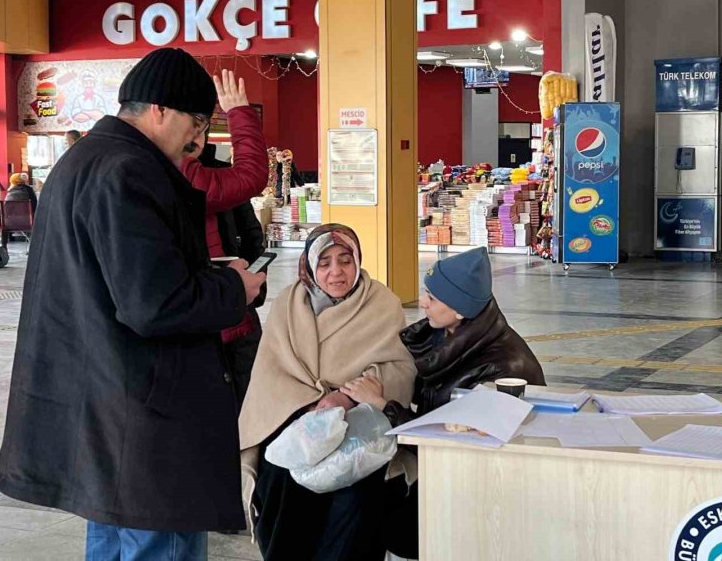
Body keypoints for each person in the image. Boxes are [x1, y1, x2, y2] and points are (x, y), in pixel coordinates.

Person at [0, 48, 268, 561]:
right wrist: (235, 288)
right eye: (196, 122)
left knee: (115, 539)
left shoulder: (83, 162)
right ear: (160, 110)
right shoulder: (130, 172)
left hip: (105, 412)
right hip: (144, 419)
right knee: (159, 542)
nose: (199, 140)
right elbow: (155, 305)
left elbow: (123, 284)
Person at [342, 246, 545, 558]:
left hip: (477, 487)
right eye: (426, 292)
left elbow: (451, 439)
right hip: (438, 467)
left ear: (461, 308)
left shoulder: (503, 369)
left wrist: (383, 405)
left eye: (432, 299)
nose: (422, 303)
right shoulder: (442, 336)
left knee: (375, 518)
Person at [238, 224, 417, 561]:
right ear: (309, 266)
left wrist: (346, 398)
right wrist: (306, 410)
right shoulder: (287, 306)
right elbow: (271, 375)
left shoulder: (382, 304)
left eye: (345, 260)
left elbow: (399, 369)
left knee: (356, 495)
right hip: (294, 419)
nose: (337, 272)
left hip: (357, 427)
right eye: (325, 263)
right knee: (280, 475)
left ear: (358, 261)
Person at [181, 69, 268, 408]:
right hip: (215, 321)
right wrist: (239, 113)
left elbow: (250, 235)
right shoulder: (185, 174)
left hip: (230, 316)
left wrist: (253, 285)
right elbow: (251, 177)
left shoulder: (195, 173)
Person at [0, 173, 38, 249]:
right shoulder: (29, 190)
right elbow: (35, 205)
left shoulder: (10, 192)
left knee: (4, 227)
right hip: (27, 221)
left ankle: (3, 246)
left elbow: (5, 209)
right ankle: (32, 245)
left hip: (10, 223)